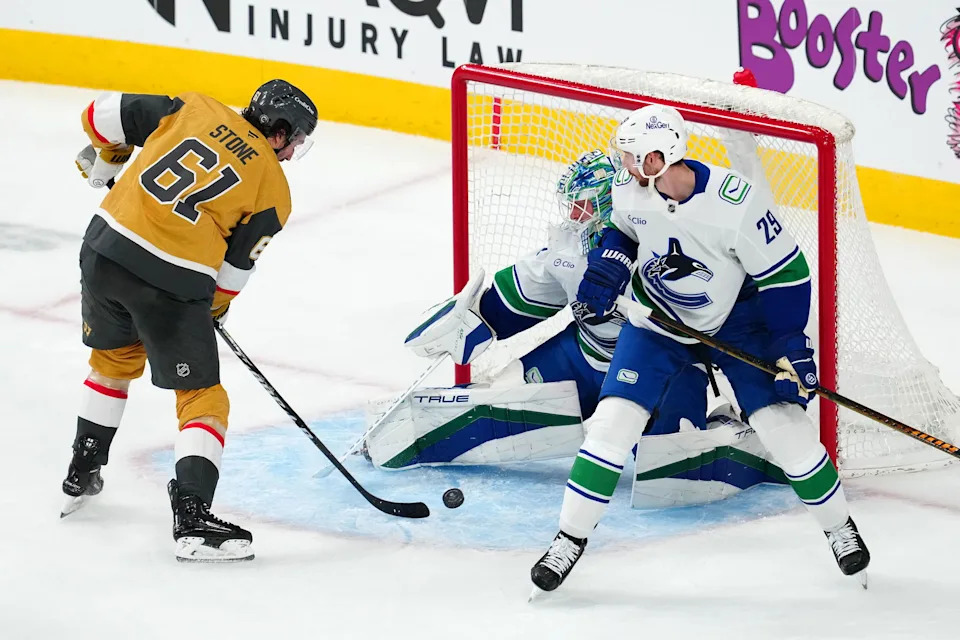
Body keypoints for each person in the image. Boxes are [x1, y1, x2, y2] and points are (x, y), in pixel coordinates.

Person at [529, 103, 870, 594]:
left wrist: (790, 343)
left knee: (785, 429)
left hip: (737, 324)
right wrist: (609, 266)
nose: (625, 167)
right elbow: (625, 231)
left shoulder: (735, 203)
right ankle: (569, 538)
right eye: (623, 155)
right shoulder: (629, 189)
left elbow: (787, 275)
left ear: (663, 157)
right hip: (657, 321)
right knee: (610, 426)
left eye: (634, 157)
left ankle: (840, 528)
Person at [378, 151, 784, 508]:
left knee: (675, 475)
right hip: (579, 358)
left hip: (661, 371)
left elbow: (727, 321)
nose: (574, 216)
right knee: (485, 412)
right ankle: (395, 433)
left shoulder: (667, 245)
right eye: (571, 205)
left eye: (584, 205)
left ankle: (741, 433)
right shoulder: (568, 251)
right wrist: (467, 321)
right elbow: (509, 304)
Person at [63, 79, 317, 563]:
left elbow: (99, 115)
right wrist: (210, 309)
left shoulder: (192, 107)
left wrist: (108, 157)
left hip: (103, 249)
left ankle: (82, 468)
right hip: (170, 282)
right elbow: (232, 272)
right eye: (297, 139)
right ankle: (194, 517)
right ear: (280, 133)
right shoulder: (273, 188)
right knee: (203, 396)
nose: (291, 153)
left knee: (113, 361)